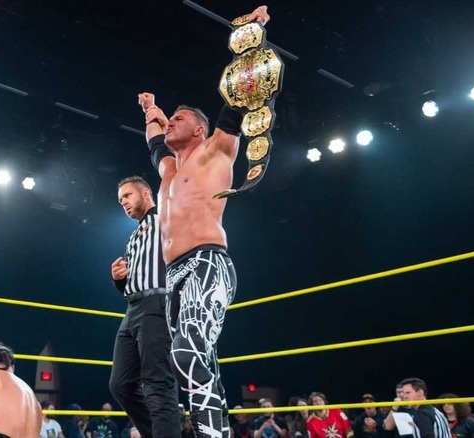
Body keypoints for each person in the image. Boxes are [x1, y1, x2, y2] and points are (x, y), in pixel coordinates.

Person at [136, 5, 271, 437]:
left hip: (208, 262)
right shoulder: (169, 171)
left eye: (179, 118)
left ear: (198, 129)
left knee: (189, 352)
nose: (170, 123)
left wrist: (253, 34)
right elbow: (155, 142)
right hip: (175, 271)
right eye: (169, 119)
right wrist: (151, 111)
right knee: (192, 362)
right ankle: (217, 432)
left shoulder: (217, 151)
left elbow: (239, 96)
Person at [108, 176, 181, 438]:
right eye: (120, 201)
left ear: (146, 193)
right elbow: (134, 280)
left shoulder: (167, 217)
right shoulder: (132, 238)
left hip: (157, 303)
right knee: (121, 385)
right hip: (132, 309)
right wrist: (119, 279)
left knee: (157, 381)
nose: (123, 203)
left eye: (127, 195)